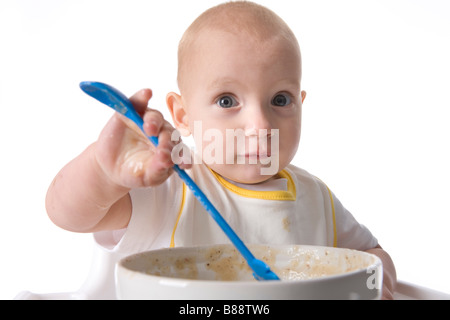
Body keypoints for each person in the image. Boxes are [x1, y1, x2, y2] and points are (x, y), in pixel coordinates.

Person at [46, 1, 396, 299]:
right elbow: (67, 214)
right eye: (227, 100)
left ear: (301, 104)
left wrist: (381, 286)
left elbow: (371, 257)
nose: (260, 125)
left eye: (280, 100)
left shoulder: (316, 198)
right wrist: (102, 172)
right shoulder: (170, 187)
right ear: (183, 115)